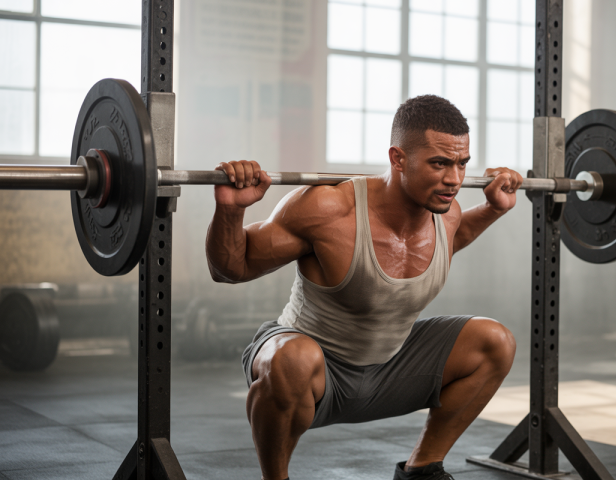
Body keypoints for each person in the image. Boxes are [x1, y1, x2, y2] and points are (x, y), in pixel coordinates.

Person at [205, 95, 522, 480]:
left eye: (461, 163)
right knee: (293, 359)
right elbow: (230, 269)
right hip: (313, 369)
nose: (454, 179)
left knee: (495, 341)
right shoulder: (327, 209)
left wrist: (492, 208)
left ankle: (422, 469)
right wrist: (231, 209)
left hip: (391, 367)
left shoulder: (446, 211)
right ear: (398, 158)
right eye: (439, 163)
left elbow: (454, 237)